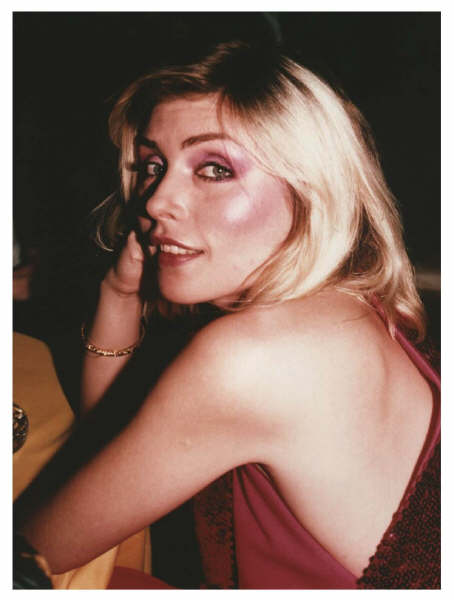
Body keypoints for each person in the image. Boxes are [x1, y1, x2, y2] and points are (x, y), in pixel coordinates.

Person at [16, 40, 440, 589]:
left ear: (312, 190)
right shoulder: (349, 304)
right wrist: (120, 293)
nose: (154, 202)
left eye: (214, 169)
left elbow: (34, 551)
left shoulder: (255, 357)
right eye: (152, 165)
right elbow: (115, 445)